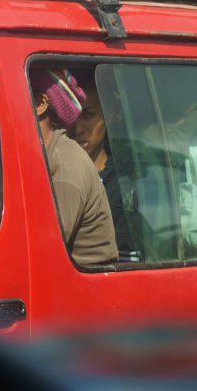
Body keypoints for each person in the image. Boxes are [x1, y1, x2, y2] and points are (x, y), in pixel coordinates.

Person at [31, 68, 118, 265]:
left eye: (90, 115)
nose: (78, 129)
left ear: (40, 104)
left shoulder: (65, 170)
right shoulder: (50, 158)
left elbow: (40, 252)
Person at [71, 72, 136, 261]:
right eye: (71, 114)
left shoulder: (126, 182)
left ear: (110, 114)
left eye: (89, 115)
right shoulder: (51, 175)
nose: (77, 128)